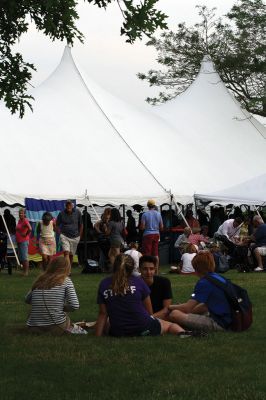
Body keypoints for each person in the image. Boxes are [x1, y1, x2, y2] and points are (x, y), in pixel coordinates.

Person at [95, 253, 191, 337]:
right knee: (170, 325)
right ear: (135, 268)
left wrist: (98, 336)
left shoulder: (104, 284)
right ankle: (185, 334)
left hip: (118, 331)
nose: (149, 272)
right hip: (143, 328)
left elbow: (103, 313)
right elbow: (149, 313)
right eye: (145, 269)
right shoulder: (139, 282)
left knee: (108, 322)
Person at [169, 251, 232, 332]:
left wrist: (169, 307)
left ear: (196, 268)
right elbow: (204, 306)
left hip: (221, 323)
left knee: (174, 314)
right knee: (200, 308)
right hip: (231, 319)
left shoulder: (204, 282)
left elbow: (187, 307)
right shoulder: (219, 278)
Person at [25, 257, 80, 335]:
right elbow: (74, 305)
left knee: (31, 310)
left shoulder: (40, 280)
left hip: (33, 327)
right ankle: (75, 330)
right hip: (56, 327)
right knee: (66, 317)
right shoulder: (66, 280)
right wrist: (62, 307)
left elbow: (27, 299)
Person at [139, 255, 172, 320]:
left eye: (151, 269)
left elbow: (166, 309)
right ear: (139, 269)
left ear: (155, 269)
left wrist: (150, 318)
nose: (148, 272)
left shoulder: (164, 282)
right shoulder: (135, 284)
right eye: (145, 269)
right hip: (141, 317)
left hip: (158, 316)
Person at [56, 200, 83, 268]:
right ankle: (67, 270)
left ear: (72, 205)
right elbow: (57, 224)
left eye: (70, 205)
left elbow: (81, 224)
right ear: (65, 206)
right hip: (64, 236)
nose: (68, 206)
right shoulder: (61, 213)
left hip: (75, 236)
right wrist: (60, 233)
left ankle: (69, 269)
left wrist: (80, 235)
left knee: (71, 255)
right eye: (67, 205)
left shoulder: (77, 212)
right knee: (66, 253)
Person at [139, 199, 163, 270]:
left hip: (148, 234)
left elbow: (142, 227)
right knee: (155, 253)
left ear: (147, 206)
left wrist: (142, 227)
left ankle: (147, 269)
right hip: (156, 234)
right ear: (154, 205)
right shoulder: (158, 214)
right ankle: (156, 270)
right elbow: (161, 227)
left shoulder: (145, 214)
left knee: (147, 253)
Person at [15, 208, 32, 276]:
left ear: (24, 214)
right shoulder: (19, 221)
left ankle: (26, 272)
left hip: (24, 241)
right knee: (21, 256)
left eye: (22, 213)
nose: (20, 214)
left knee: (24, 256)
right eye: (20, 213)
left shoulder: (25, 220)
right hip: (19, 240)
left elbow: (30, 229)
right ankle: (23, 271)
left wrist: (26, 234)